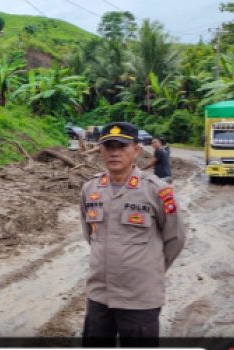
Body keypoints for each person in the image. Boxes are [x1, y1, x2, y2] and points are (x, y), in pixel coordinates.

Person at [79, 122, 186, 347]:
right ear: (101, 150)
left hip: (139, 298)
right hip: (100, 295)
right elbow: (91, 235)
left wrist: (148, 267)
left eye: (122, 146)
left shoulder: (157, 190)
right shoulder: (90, 189)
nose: (115, 152)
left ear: (136, 150)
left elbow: (175, 238)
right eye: (109, 146)